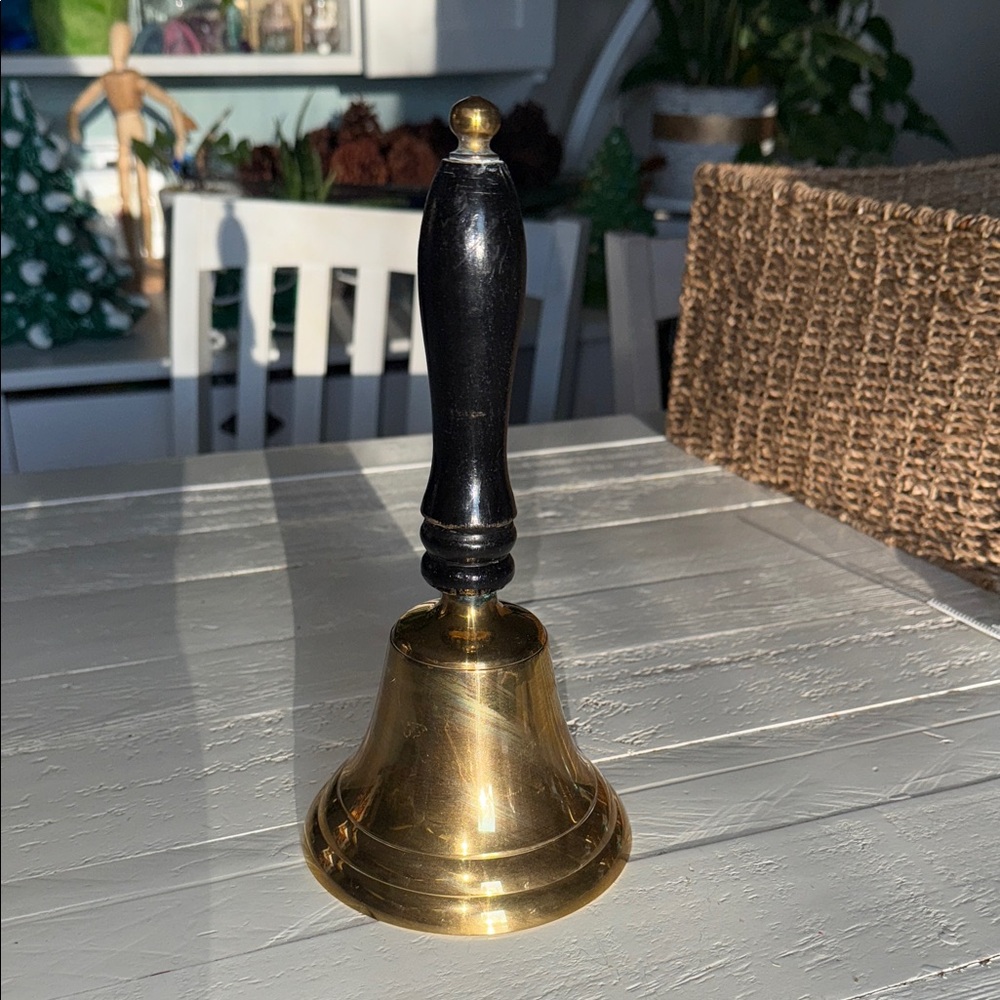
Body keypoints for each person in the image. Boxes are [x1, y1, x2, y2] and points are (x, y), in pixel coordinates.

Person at [68, 20, 197, 266]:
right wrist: (73, 125)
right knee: (124, 193)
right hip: (122, 130)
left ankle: (147, 253)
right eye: (113, 42)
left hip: (136, 127)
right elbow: (77, 107)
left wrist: (180, 138)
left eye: (121, 42)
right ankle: (131, 255)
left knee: (144, 187)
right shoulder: (107, 80)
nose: (116, 47)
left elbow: (169, 102)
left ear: (127, 46)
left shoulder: (134, 79)